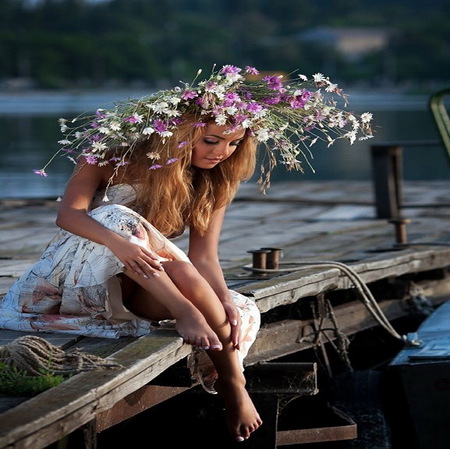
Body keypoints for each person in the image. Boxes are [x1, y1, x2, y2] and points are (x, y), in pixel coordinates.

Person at [0, 65, 372, 442]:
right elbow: (68, 216)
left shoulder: (213, 181)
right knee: (116, 217)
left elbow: (205, 258)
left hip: (141, 287)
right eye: (211, 140)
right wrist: (120, 241)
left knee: (217, 296)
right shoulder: (109, 157)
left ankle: (232, 383)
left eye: (233, 143)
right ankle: (187, 313)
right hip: (74, 283)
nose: (222, 152)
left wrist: (222, 298)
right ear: (180, 134)